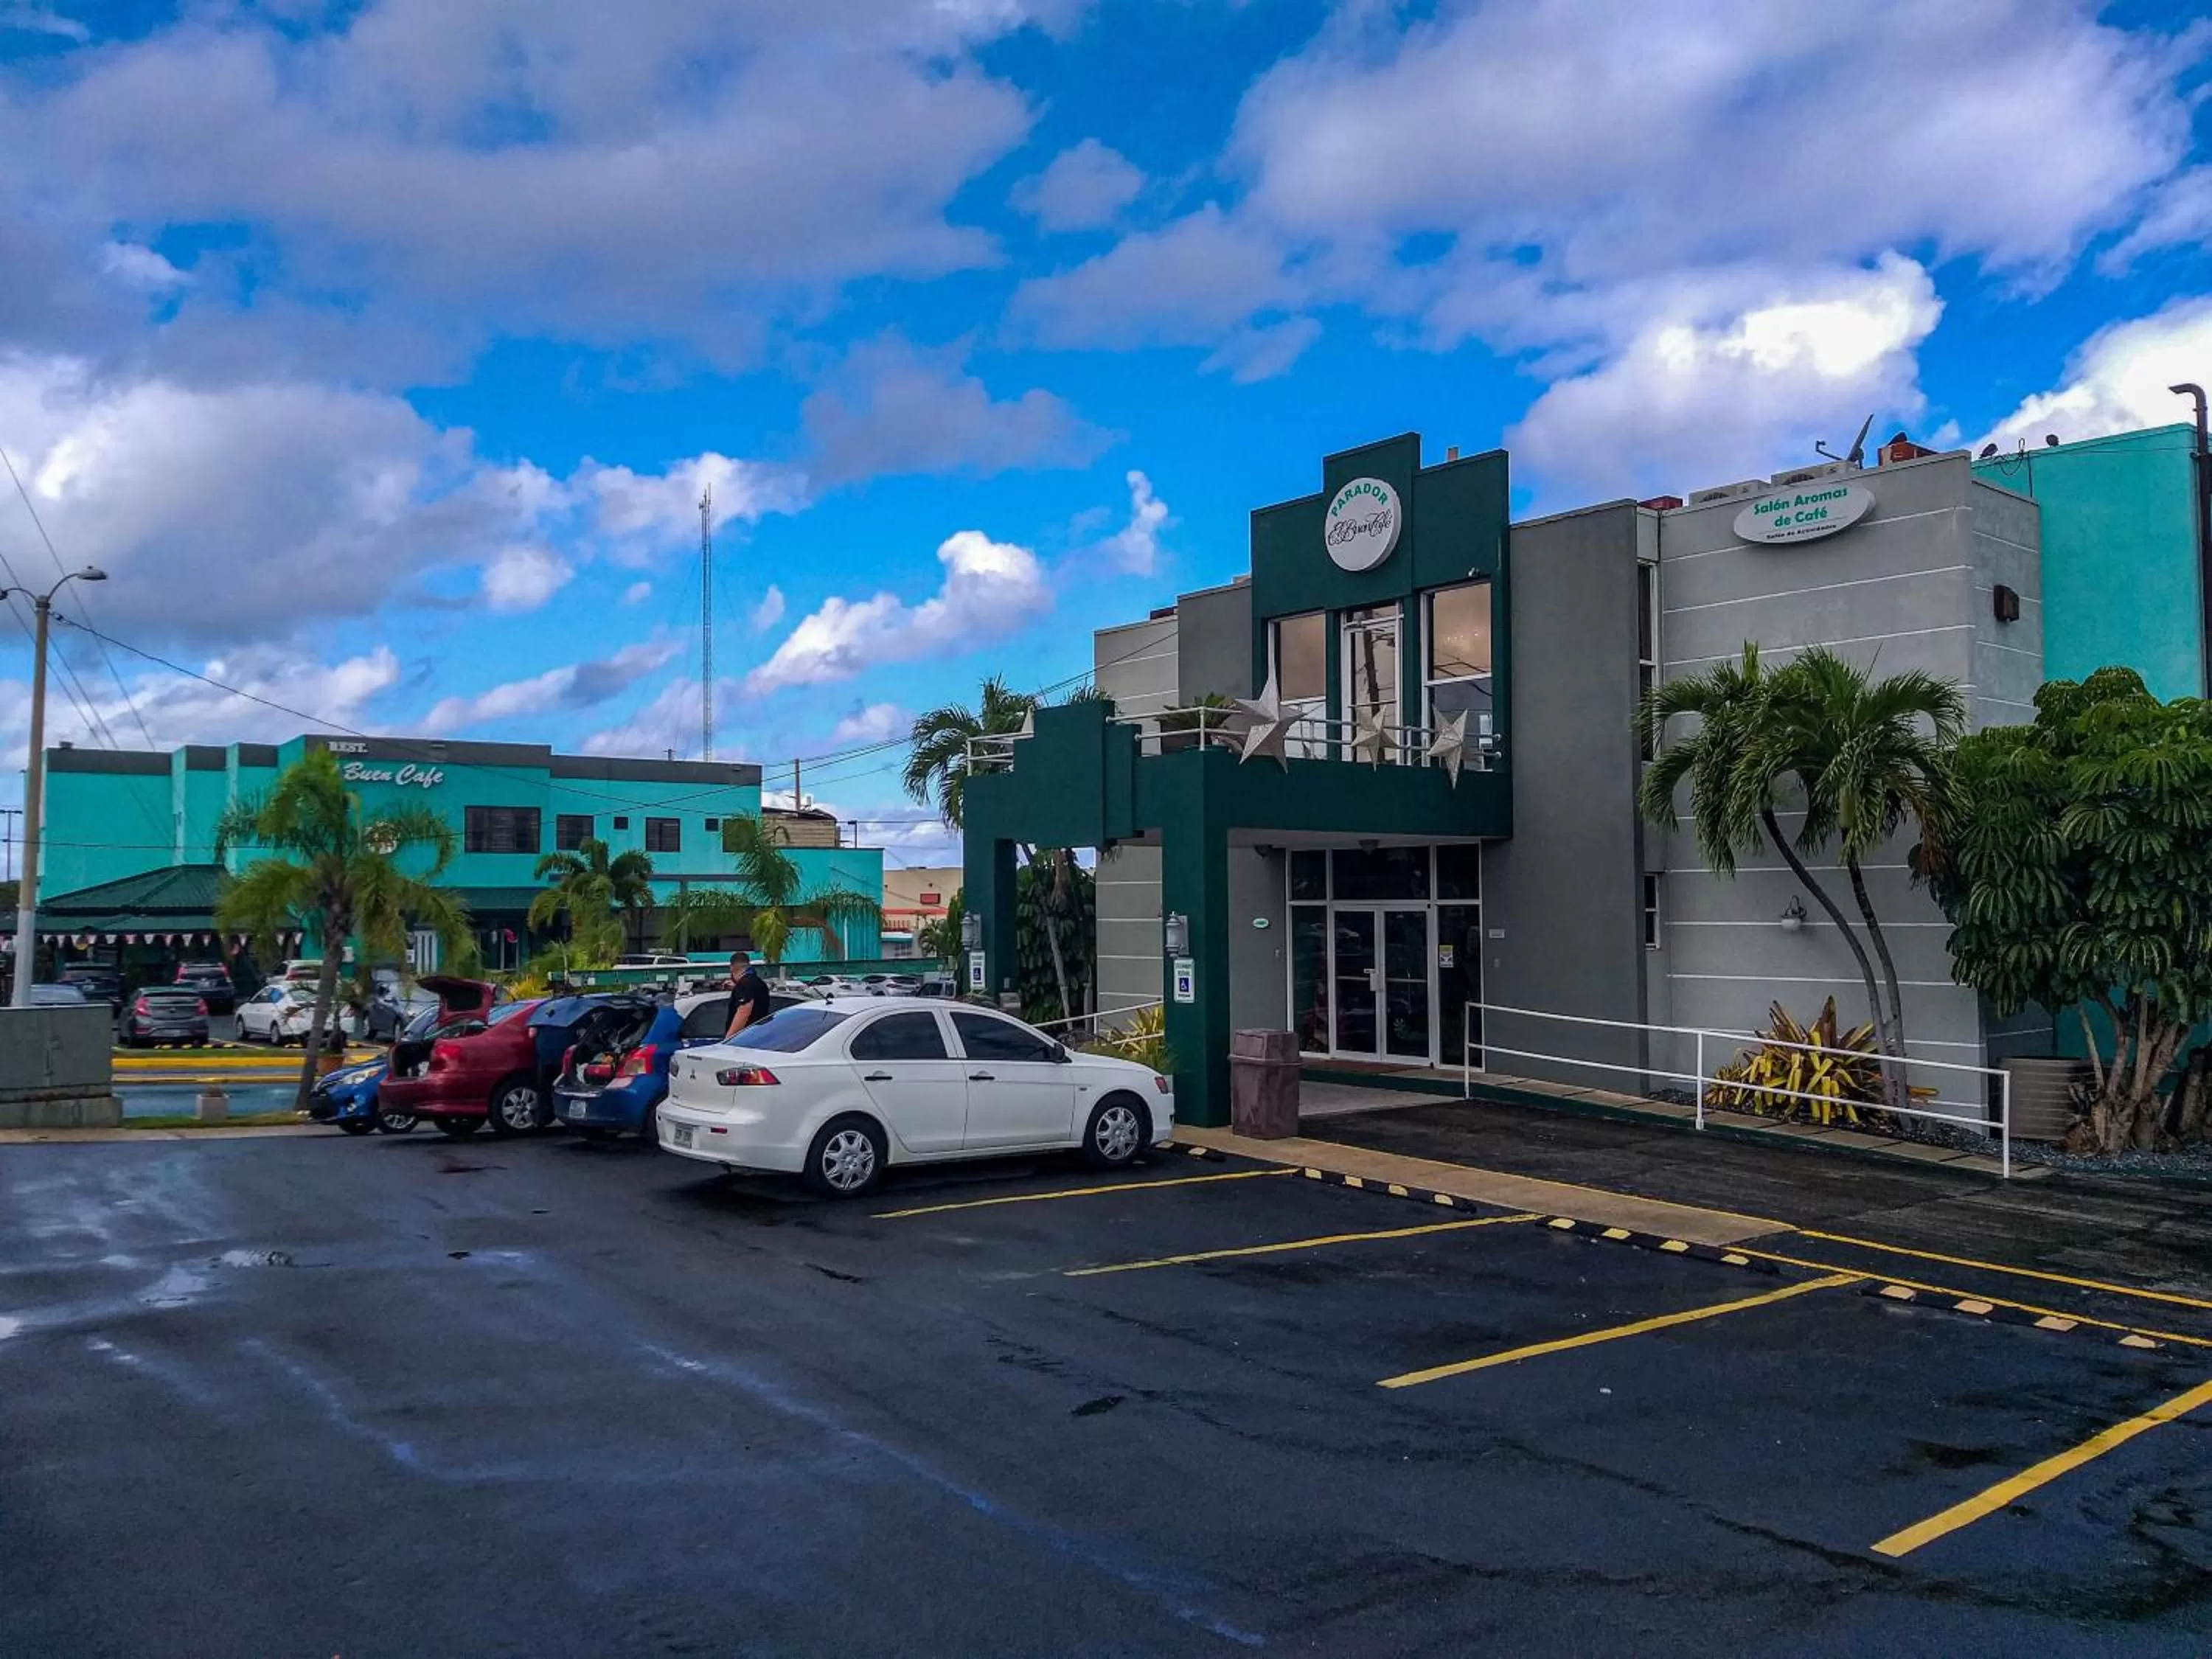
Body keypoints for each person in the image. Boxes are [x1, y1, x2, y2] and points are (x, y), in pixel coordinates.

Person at [725, 950, 772, 1039]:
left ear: (732, 968)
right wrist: (736, 989)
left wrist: (729, 1038)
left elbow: (744, 1011)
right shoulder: (759, 983)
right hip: (760, 1036)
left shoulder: (744, 984)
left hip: (745, 1038)